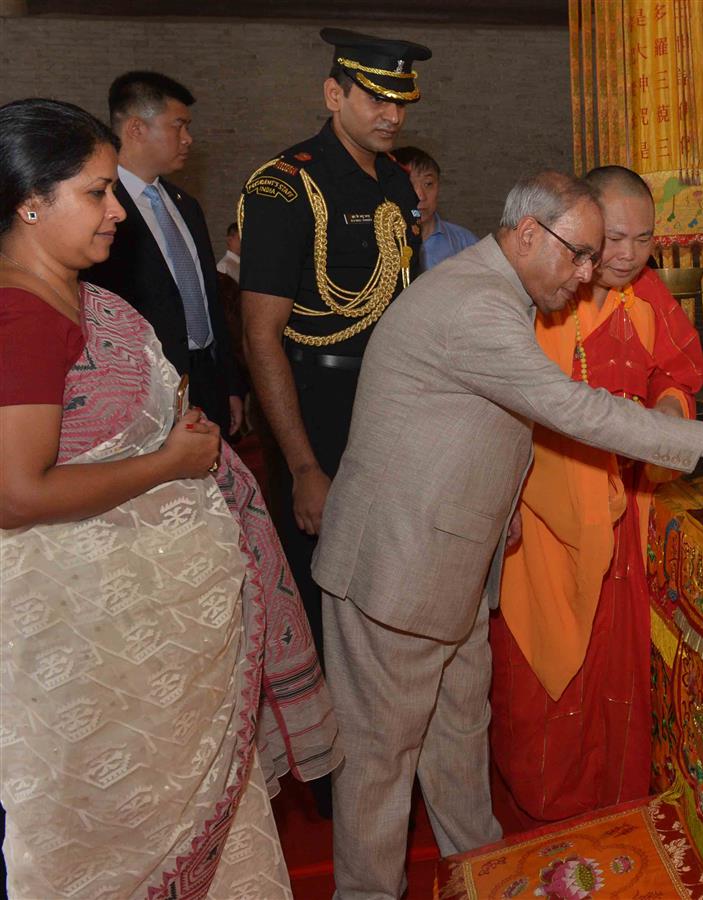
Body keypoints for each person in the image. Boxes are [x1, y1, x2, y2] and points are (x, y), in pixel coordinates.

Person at [312, 169, 703, 899]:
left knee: (458, 742)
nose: (591, 272)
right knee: (380, 763)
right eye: (582, 254)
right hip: (396, 568)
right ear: (529, 234)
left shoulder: (501, 291)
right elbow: (572, 408)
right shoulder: (477, 304)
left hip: (455, 562)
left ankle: (486, 876)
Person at [0, 98, 338, 899]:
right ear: (30, 201)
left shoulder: (82, 298)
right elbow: (15, 493)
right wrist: (168, 463)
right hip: (89, 661)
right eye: (96, 192)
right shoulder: (21, 317)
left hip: (154, 657)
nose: (118, 210)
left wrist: (167, 435)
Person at [488, 165, 701, 831]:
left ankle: (614, 821)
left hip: (621, 508)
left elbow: (675, 369)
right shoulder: (540, 292)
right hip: (541, 512)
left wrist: (669, 405)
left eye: (643, 240)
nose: (626, 255)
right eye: (611, 239)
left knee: (614, 670)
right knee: (540, 680)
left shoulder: (647, 294)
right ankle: (539, 833)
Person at [238, 27, 429, 664]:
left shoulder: (398, 186)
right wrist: (302, 467)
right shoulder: (284, 186)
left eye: (400, 102)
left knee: (392, 589)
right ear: (332, 94)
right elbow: (261, 336)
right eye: (376, 99)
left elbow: (409, 305)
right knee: (323, 600)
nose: (391, 115)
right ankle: (329, 759)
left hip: (393, 406)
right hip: (317, 402)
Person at [82, 71, 244, 439]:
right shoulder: (101, 208)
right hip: (141, 388)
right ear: (137, 128)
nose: (188, 138)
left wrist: (230, 383)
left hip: (206, 379)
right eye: (178, 125)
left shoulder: (186, 206)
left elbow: (209, 302)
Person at [392, 145, 477, 269]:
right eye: (409, 185)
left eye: (428, 184)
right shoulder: (380, 243)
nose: (420, 196)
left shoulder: (465, 243)